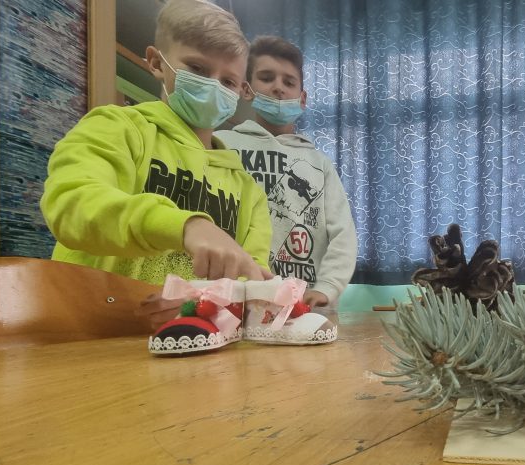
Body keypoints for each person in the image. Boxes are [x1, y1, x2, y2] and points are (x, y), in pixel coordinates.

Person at [40, 0, 272, 328]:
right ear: (156, 62)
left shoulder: (248, 190)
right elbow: (70, 205)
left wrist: (204, 302)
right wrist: (186, 226)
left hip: (196, 341)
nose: (213, 86)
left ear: (240, 91)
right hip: (92, 335)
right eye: (197, 69)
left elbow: (250, 278)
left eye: (228, 82)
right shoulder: (115, 128)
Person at [216, 36, 357, 308]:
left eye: (289, 82)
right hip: (232, 297)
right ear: (246, 89)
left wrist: (328, 286)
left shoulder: (319, 163)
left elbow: (343, 232)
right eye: (267, 78)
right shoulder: (221, 144)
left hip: (304, 303)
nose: (278, 87)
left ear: (302, 99)